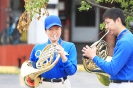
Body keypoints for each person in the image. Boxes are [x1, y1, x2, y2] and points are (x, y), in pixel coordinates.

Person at [82, 8, 133, 88]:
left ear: (118, 21)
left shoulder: (125, 41)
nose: (106, 27)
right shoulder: (124, 38)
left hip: (123, 84)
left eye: (108, 23)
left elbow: (112, 69)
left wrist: (94, 56)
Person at [29, 15, 77, 88]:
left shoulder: (70, 46)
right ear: (45, 31)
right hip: (44, 84)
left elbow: (72, 72)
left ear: (61, 29)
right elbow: (31, 70)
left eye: (57, 29)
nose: (54, 32)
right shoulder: (37, 48)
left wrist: (64, 57)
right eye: (50, 29)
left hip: (63, 84)